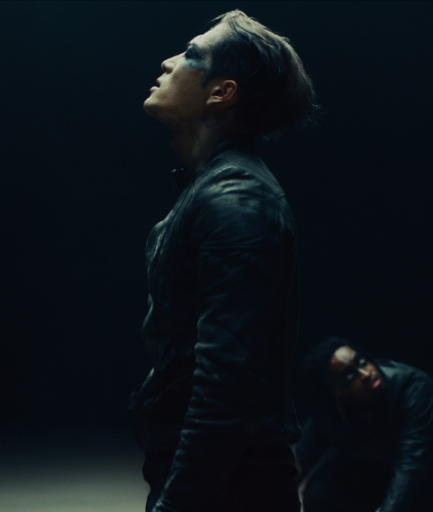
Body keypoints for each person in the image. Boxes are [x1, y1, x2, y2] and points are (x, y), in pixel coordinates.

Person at [128, 10, 318, 512]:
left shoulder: (234, 198)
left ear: (221, 92)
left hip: (233, 488)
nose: (168, 62)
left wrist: (176, 505)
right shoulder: (209, 190)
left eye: (191, 55)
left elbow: (228, 387)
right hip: (217, 479)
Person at [296, 337, 433, 512]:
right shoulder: (327, 408)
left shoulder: (413, 387)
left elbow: (411, 467)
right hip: (375, 462)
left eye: (362, 362)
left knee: (418, 501)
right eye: (349, 375)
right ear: (334, 391)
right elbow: (302, 458)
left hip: (432, 462)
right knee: (321, 496)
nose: (366, 374)